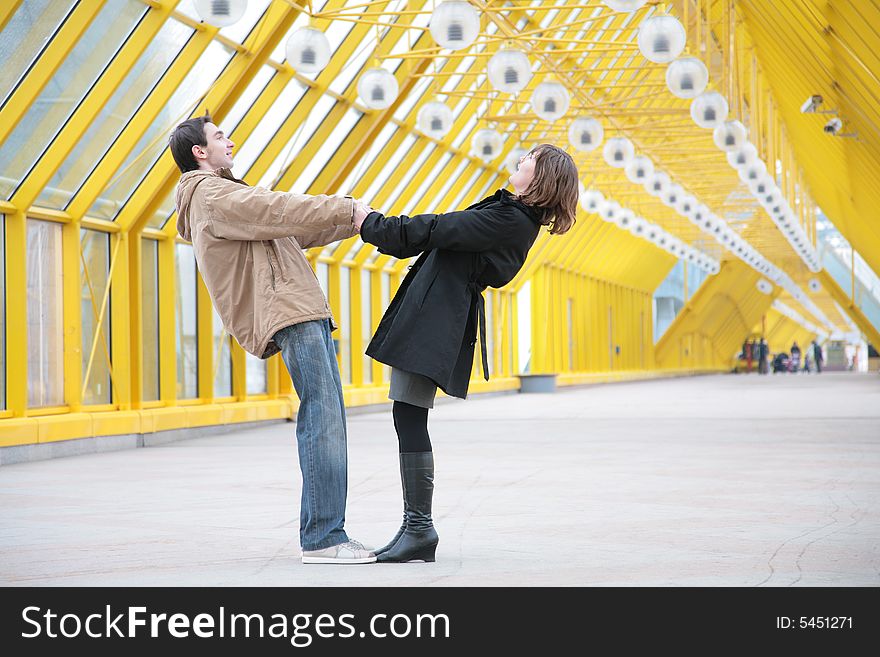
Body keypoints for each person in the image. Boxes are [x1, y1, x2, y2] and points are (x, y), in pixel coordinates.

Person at [353, 144, 579, 563]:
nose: (521, 158)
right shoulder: (514, 218)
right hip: (439, 320)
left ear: (543, 174)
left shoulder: (508, 219)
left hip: (434, 322)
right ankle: (413, 527)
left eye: (530, 156)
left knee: (408, 416)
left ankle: (419, 528)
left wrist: (369, 223)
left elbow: (434, 228)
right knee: (407, 415)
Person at [170, 113, 376, 564]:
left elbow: (292, 230)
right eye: (219, 136)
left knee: (327, 417)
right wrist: (346, 208)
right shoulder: (210, 193)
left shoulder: (224, 196)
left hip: (299, 307)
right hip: (289, 310)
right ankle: (324, 537)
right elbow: (276, 209)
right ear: (199, 152)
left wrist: (355, 223)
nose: (230, 140)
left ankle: (325, 532)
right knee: (323, 419)